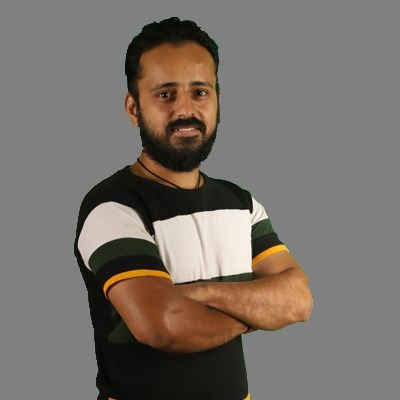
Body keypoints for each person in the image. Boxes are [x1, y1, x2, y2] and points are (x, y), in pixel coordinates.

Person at [74, 17, 313, 400]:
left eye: (200, 92)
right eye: (165, 94)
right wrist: (254, 313)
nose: (185, 109)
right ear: (134, 108)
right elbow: (164, 326)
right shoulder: (112, 207)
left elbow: (297, 300)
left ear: (217, 100)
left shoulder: (241, 204)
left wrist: (200, 293)